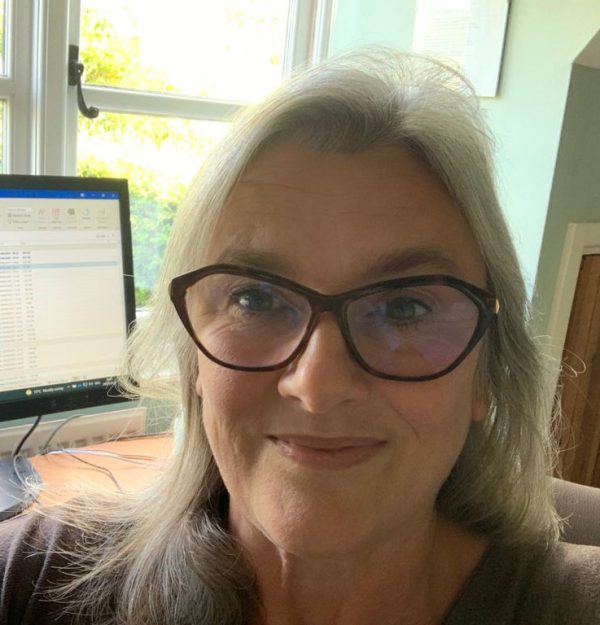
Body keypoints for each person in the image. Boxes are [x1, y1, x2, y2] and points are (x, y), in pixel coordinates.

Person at [1, 50, 599, 625]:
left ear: (486, 371)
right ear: (194, 361)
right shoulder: (34, 581)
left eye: (405, 306)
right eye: (255, 299)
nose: (318, 386)